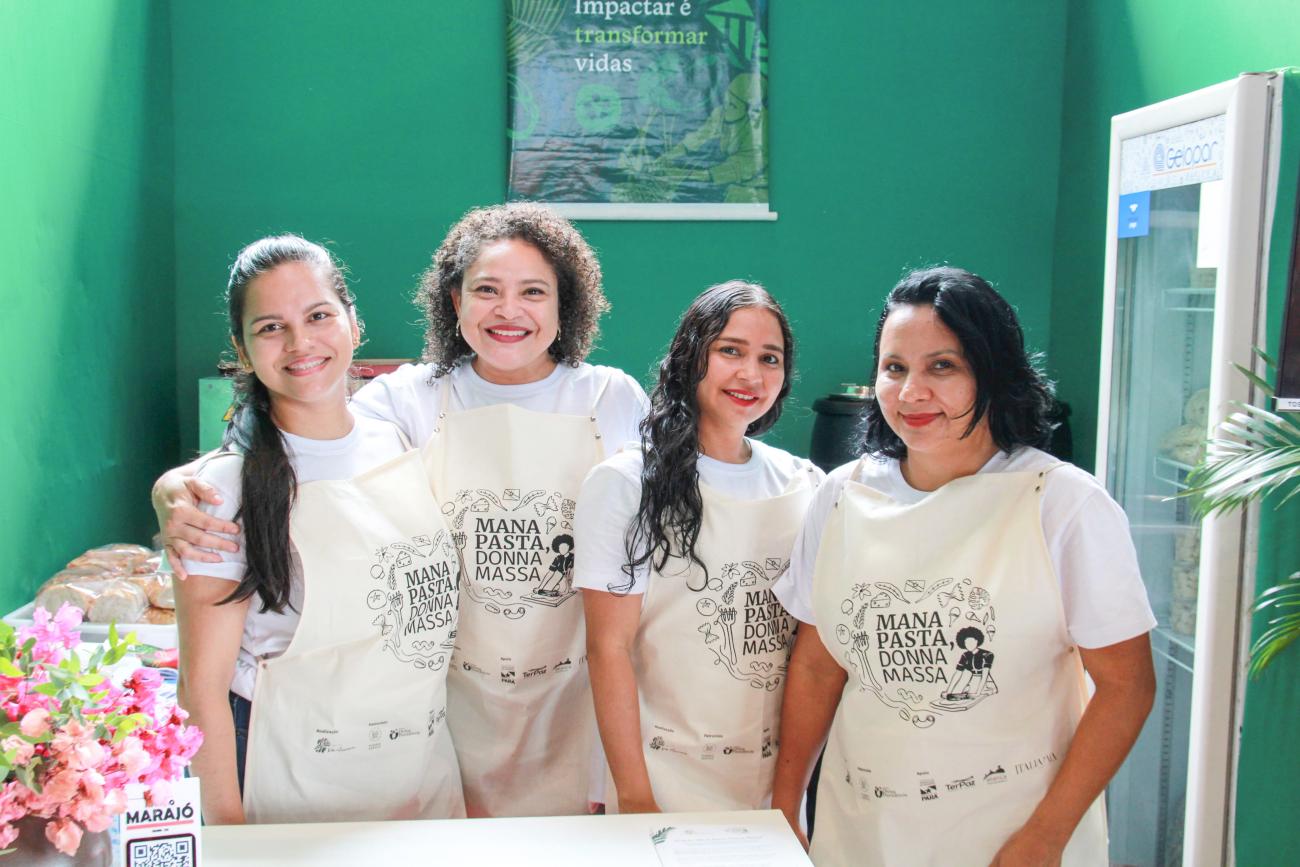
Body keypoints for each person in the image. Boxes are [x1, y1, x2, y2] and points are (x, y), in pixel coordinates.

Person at [156, 205, 648, 818]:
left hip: (552, 708)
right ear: (454, 300)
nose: (508, 310)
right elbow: (290, 439)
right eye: (486, 290)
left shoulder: (609, 399)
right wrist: (177, 486)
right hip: (423, 720)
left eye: (533, 291)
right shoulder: (405, 403)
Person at [769, 267, 1157, 865]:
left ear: (993, 372)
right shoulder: (842, 495)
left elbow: (1127, 687)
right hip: (862, 832)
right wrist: (785, 805)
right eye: (895, 367)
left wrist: (1046, 836)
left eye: (942, 367)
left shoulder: (1062, 503)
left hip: (1013, 836)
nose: (911, 392)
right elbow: (819, 668)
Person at [175, 235, 463, 825]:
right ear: (242, 350)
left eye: (318, 316)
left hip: (419, 771)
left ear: (354, 323)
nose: (300, 343)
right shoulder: (224, 488)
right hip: (296, 780)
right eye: (271, 327)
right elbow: (201, 690)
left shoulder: (396, 437)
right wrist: (230, 842)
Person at [577, 281, 822, 814]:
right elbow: (608, 650)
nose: (751, 375)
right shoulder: (625, 481)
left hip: (768, 783)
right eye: (730, 350)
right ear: (690, 357)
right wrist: (635, 796)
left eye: (769, 358)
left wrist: (791, 799)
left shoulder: (804, 483)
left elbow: (812, 658)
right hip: (657, 777)